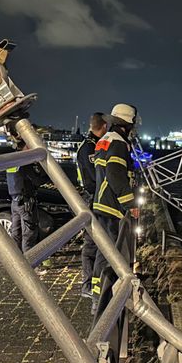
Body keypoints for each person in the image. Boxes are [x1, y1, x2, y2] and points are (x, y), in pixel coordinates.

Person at [90, 103, 140, 309]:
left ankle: (97, 295)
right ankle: (102, 301)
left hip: (101, 204)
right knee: (109, 253)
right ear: (128, 123)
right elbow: (115, 175)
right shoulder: (118, 143)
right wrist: (131, 204)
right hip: (112, 207)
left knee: (103, 252)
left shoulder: (105, 140)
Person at [77, 112, 107, 298]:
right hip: (92, 198)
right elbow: (93, 178)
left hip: (94, 197)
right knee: (91, 243)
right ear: (103, 126)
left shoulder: (91, 145)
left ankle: (94, 282)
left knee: (98, 242)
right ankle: (87, 285)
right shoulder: (89, 148)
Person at [6, 140, 49, 264]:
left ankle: (14, 261)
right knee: (28, 235)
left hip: (14, 202)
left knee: (16, 233)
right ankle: (29, 263)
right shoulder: (24, 162)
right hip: (25, 203)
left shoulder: (12, 161)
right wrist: (46, 173)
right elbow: (37, 181)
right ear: (26, 146)